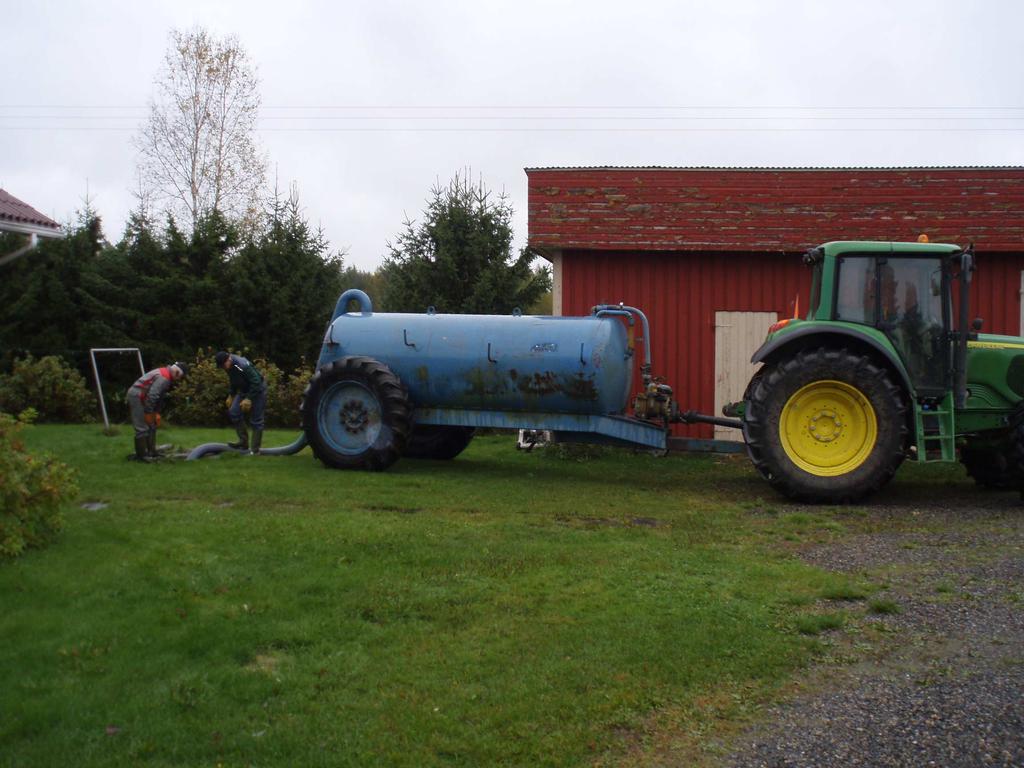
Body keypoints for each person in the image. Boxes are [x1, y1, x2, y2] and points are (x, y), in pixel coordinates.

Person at [125, 362, 189, 461]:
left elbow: (159, 397)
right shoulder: (164, 377)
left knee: (152, 424)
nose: (179, 379)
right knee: (142, 427)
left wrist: (155, 413)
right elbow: (153, 395)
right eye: (180, 377)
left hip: (143, 397)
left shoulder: (166, 375)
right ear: (177, 372)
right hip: (136, 396)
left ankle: (152, 452)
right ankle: (142, 456)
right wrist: (149, 412)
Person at [215, 351, 267, 455]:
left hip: (257, 390)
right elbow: (234, 380)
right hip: (244, 390)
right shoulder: (228, 366)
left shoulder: (241, 365)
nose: (223, 368)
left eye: (223, 365)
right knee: (234, 412)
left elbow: (256, 382)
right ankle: (243, 443)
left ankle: (255, 451)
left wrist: (249, 398)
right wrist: (231, 395)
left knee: (256, 420)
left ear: (228, 359)